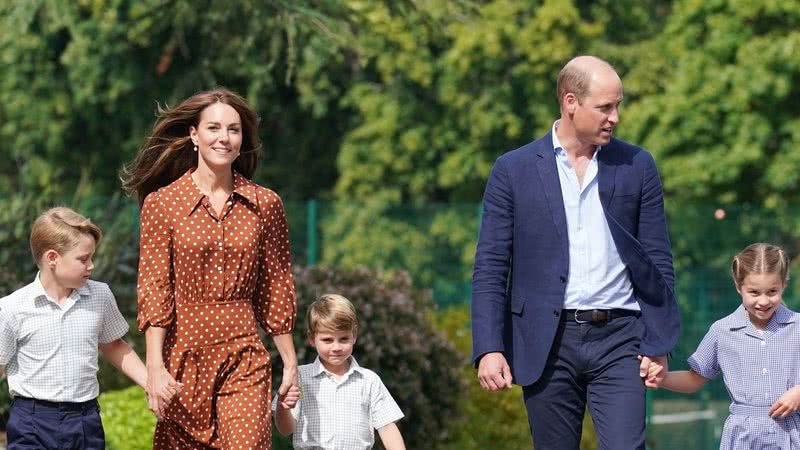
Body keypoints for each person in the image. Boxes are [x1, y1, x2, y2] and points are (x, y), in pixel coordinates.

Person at [470, 55, 680, 450]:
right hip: (546, 342)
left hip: (622, 340)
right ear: (570, 103)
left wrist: (659, 344)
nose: (615, 117)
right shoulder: (512, 170)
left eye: (617, 105)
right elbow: (491, 266)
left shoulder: (638, 165)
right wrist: (489, 347)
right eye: (605, 107)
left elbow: (657, 260)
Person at [121, 88, 299, 449]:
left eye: (234, 130)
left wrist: (290, 363)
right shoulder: (162, 204)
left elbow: (276, 286)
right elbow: (155, 289)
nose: (224, 138)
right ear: (194, 134)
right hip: (183, 359)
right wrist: (154, 367)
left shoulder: (266, 205)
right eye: (214, 128)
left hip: (245, 354)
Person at [0, 207, 159, 450]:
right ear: (52, 258)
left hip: (84, 419)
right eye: (83, 259)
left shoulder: (100, 295)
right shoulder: (12, 308)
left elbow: (114, 345)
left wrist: (150, 383)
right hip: (31, 420)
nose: (91, 265)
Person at [651, 243, 800, 449]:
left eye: (772, 291)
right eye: (754, 292)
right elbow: (694, 379)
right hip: (742, 438)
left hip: (792, 436)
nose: (764, 301)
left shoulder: (798, 326)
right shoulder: (722, 331)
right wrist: (661, 378)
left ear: (784, 284)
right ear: (739, 287)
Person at [273, 294, 406, 450]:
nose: (336, 347)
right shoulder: (299, 377)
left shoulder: (369, 380)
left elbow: (387, 427)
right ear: (311, 338)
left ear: (354, 336)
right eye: (327, 340)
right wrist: (283, 406)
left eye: (343, 339)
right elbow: (286, 429)